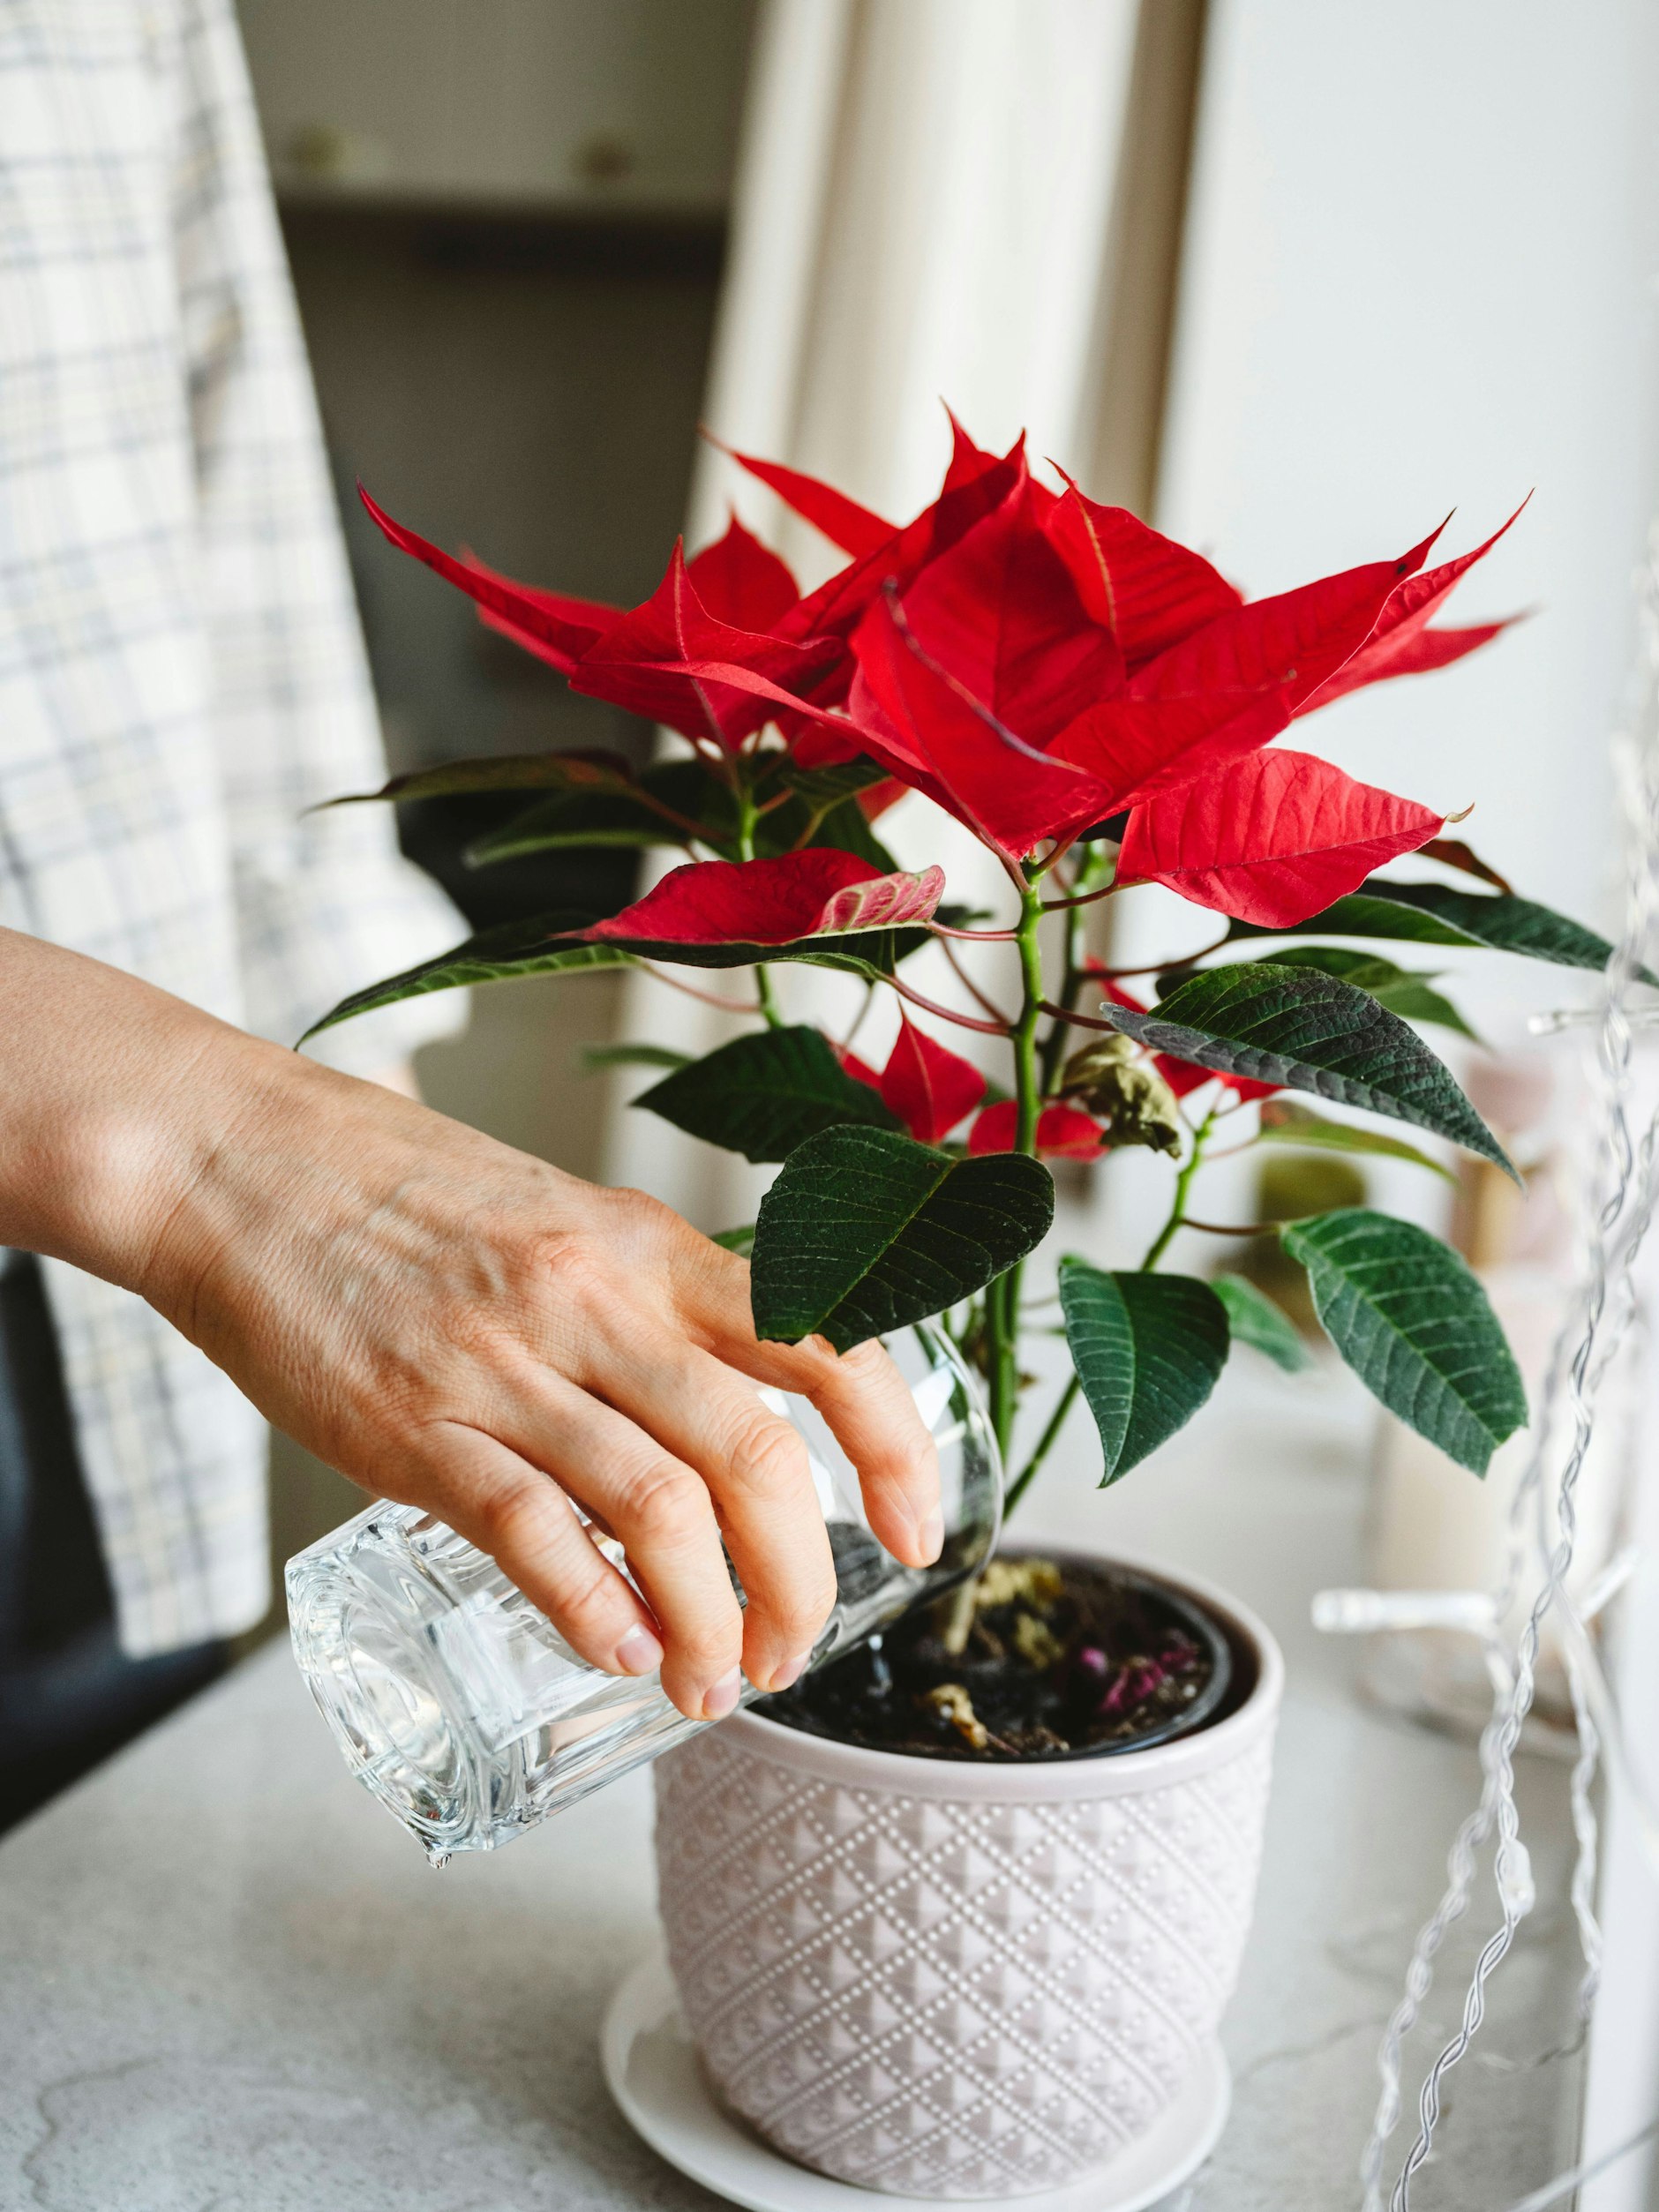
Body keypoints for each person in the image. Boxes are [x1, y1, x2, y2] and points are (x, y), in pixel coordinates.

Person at [0, 0, 936, 1823]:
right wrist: (220, 1155)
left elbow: (232, 530)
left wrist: (401, 1202)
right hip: (152, 1196)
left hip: (103, 1360)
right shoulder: (204, 1160)